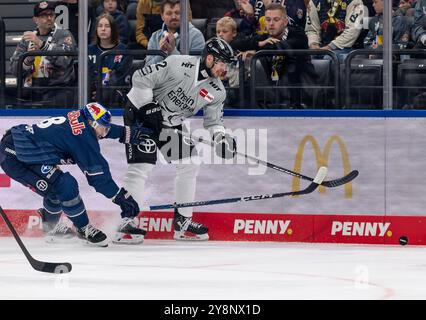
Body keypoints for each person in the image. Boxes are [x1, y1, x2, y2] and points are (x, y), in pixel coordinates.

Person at [123, 37, 237, 241]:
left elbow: (213, 122)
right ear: (210, 58)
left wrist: (222, 138)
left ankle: (183, 220)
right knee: (141, 166)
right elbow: (140, 78)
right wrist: (148, 106)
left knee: (190, 163)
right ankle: (127, 221)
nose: (225, 69)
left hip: (169, 122)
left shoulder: (217, 91)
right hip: (140, 113)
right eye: (222, 64)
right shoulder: (178, 63)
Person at [0, 103, 153, 247]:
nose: (104, 132)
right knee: (65, 185)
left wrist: (127, 133)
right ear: (92, 123)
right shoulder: (83, 138)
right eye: (103, 128)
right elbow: (99, 179)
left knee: (56, 189)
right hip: (17, 156)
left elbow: (100, 129)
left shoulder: (81, 118)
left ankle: (50, 228)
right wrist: (122, 198)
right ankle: (83, 228)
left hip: (20, 143)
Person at [232, 3, 317, 108]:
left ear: (285, 22)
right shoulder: (265, 38)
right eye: (268, 20)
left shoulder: (299, 35)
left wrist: (257, 51)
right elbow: (234, 44)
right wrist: (259, 44)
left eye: (276, 20)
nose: (271, 24)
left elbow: (280, 48)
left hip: (300, 94)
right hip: (272, 95)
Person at [9, 1, 77, 108]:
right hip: (32, 89)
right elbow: (13, 70)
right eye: (44, 15)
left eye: (51, 14)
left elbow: (65, 61)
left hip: (58, 89)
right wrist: (28, 60)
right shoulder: (28, 39)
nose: (49, 18)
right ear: (35, 19)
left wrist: (42, 45)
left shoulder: (64, 35)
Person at [88, 13, 132, 105]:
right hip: (91, 92)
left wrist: (103, 90)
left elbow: (121, 78)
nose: (103, 29)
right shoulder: (89, 50)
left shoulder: (123, 50)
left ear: (113, 29)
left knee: (108, 94)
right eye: (100, 26)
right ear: (96, 29)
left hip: (114, 93)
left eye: (107, 26)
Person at [145, 0, 205, 66]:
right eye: (169, 13)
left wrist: (173, 51)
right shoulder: (154, 37)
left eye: (178, 13)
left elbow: (196, 67)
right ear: (162, 16)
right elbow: (147, 69)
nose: (173, 17)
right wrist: (161, 52)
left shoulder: (196, 36)